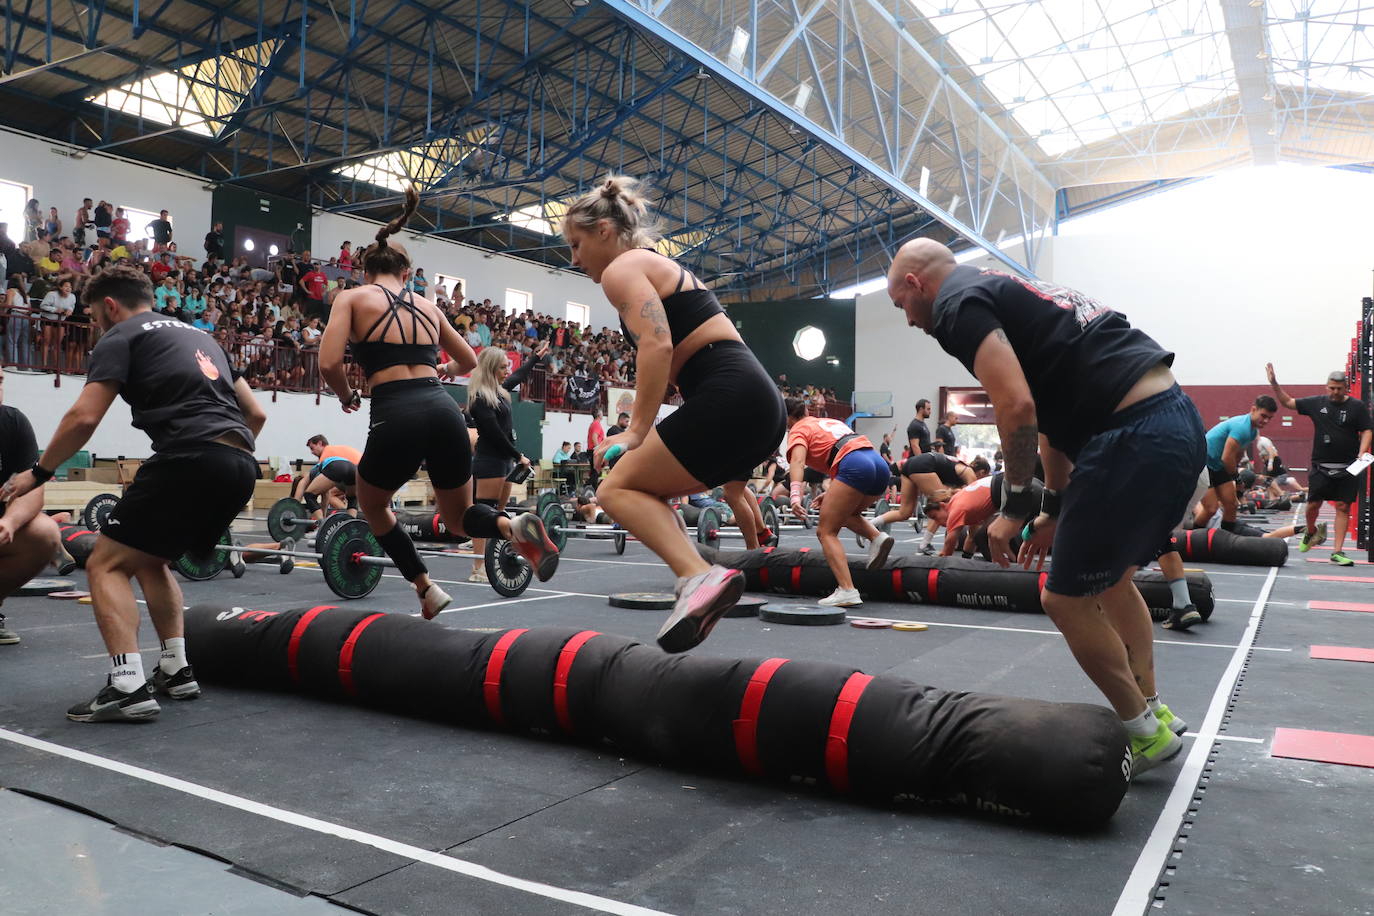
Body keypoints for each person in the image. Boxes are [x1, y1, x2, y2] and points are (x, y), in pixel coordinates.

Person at [887, 238, 1203, 775]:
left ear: (917, 284)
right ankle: (1153, 712)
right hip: (1175, 422)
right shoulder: (1006, 290)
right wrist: (1052, 507)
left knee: (1064, 601)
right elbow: (1051, 426)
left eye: (901, 306)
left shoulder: (957, 304)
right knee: (1110, 581)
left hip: (1132, 437)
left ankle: (1142, 734)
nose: (910, 321)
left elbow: (1016, 407)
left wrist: (1012, 503)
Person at [1, 265, 265, 722]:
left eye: (93, 315)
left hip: (189, 456)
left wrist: (38, 474)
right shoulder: (204, 337)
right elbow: (255, 413)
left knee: (106, 564)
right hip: (241, 463)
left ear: (109, 306)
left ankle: (126, 686)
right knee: (149, 558)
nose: (96, 325)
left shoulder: (120, 336)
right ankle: (176, 669)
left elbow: (84, 418)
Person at [567, 175, 785, 651]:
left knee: (615, 489)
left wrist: (637, 432)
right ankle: (700, 578)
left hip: (732, 392)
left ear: (604, 230)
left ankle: (696, 575)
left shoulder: (621, 269)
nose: (574, 258)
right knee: (644, 489)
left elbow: (658, 342)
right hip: (758, 405)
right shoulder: (658, 266)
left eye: (577, 244)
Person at [319, 187, 557, 618]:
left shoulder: (352, 298)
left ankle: (425, 587)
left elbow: (329, 362)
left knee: (372, 505)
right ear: (407, 271)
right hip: (444, 409)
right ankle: (510, 524)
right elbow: (468, 359)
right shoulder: (429, 307)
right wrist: (442, 371)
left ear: (365, 269)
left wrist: (346, 395)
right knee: (460, 517)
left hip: (396, 412)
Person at [783, 400, 893, 606]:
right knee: (845, 515)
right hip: (878, 464)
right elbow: (843, 449)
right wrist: (833, 492)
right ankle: (876, 537)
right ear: (806, 410)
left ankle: (847, 589)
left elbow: (797, 462)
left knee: (826, 531)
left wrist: (795, 495)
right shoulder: (827, 421)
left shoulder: (797, 429)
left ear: (787, 417)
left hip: (854, 465)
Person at [1266, 365, 1372, 565]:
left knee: (1343, 506)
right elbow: (1288, 402)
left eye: (1339, 389)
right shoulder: (1317, 403)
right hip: (1321, 466)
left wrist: (1363, 450)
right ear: (1326, 387)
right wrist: (1274, 384)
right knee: (1313, 505)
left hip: (1348, 466)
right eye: (1331, 388)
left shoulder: (1357, 407)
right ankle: (1311, 531)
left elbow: (1367, 429)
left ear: (1346, 387)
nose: (1335, 392)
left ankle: (1337, 552)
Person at [465, 342, 548, 583]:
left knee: (498, 514)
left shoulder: (499, 392)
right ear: (491, 369)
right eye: (502, 367)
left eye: (507, 367)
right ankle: (477, 568)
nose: (507, 371)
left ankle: (493, 560)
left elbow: (520, 375)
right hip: (490, 461)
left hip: (503, 461)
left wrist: (535, 358)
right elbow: (493, 434)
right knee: (484, 515)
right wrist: (518, 456)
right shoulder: (480, 398)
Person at [0, 365, 63, 646]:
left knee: (45, 533)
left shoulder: (12, 423)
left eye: (0, 379)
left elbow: (30, 488)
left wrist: (9, 522)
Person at [875, 452, 991, 552]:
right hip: (924, 465)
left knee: (904, 513)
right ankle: (925, 544)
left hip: (911, 464)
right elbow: (971, 504)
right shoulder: (970, 474)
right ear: (981, 472)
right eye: (984, 477)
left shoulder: (960, 470)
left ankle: (870, 524)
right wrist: (973, 536)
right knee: (942, 507)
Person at [1194, 396, 1277, 532]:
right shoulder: (1241, 427)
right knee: (1211, 509)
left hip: (1218, 465)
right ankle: (1191, 540)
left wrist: (1236, 478)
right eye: (1263, 416)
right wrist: (1237, 478)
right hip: (1204, 464)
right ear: (1253, 409)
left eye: (1270, 418)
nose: (1266, 421)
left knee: (1231, 505)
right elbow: (1227, 457)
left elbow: (1238, 453)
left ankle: (1227, 540)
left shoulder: (1253, 431)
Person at [293, 435, 363, 518]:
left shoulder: (312, 472)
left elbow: (302, 489)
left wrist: (294, 510)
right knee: (352, 498)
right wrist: (323, 514)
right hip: (355, 470)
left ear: (320, 443)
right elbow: (325, 494)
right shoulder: (334, 452)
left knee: (309, 495)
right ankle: (350, 524)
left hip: (340, 468)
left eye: (312, 448)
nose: (312, 452)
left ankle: (324, 523)